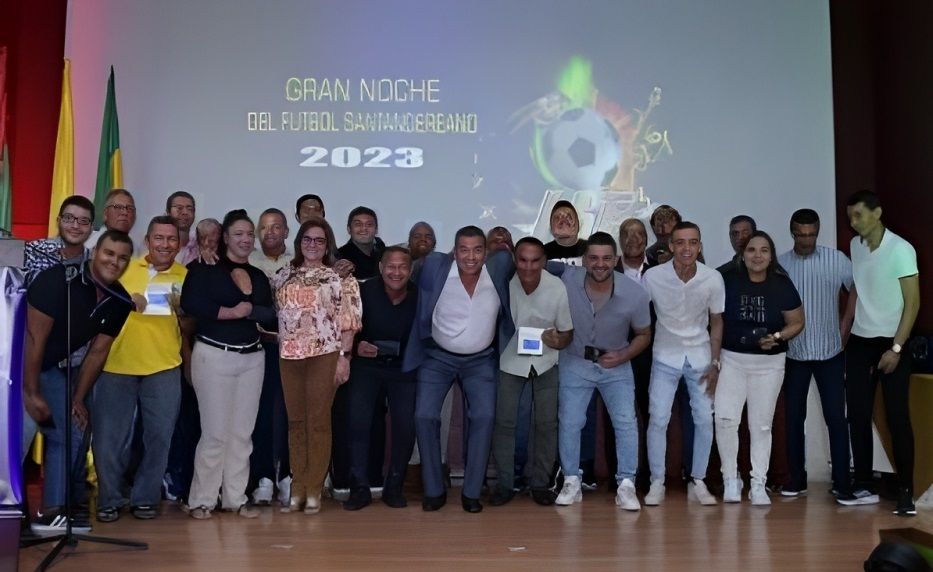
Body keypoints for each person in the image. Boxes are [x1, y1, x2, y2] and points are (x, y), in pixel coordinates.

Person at [23, 231, 134, 534]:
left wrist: (77, 399)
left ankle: (52, 514)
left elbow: (97, 353)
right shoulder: (58, 279)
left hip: (51, 370)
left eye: (122, 257)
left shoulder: (120, 301)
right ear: (94, 252)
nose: (114, 261)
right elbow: (33, 339)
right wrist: (31, 392)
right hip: (18, 365)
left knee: (70, 431)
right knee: (19, 436)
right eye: (109, 253)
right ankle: (9, 513)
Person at [403, 225, 514, 513]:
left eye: (477, 250)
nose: (470, 257)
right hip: (437, 358)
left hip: (481, 360)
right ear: (454, 251)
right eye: (464, 250)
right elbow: (402, 276)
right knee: (424, 416)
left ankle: (472, 492)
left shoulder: (499, 266)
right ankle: (433, 489)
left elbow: (537, 261)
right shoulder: (433, 266)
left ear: (486, 252)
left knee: (484, 416)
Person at [180, 210, 276, 519]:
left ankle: (235, 498)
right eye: (238, 234)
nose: (245, 239)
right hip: (213, 355)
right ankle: (202, 500)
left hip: (252, 358)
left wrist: (246, 311)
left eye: (249, 234)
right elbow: (191, 302)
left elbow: (269, 314)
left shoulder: (258, 275)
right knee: (214, 433)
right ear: (225, 237)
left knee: (242, 434)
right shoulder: (204, 268)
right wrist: (230, 312)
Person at [92, 216, 187, 522]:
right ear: (147, 241)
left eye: (171, 239)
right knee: (109, 438)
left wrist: (183, 311)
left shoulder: (186, 276)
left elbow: (190, 325)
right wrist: (124, 301)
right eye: (158, 238)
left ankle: (145, 498)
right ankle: (109, 498)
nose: (165, 244)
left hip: (164, 366)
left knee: (159, 438)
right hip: (116, 364)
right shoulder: (123, 268)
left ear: (179, 244)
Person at [552, 232, 651, 511]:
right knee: (570, 421)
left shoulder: (635, 293)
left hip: (617, 364)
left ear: (616, 260)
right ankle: (571, 480)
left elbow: (644, 334)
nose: (600, 264)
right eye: (593, 258)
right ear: (584, 260)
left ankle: (626, 485)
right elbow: (533, 264)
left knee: (626, 422)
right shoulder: (567, 279)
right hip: (575, 361)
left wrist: (624, 355)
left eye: (606, 258)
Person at [273, 217, 361, 514]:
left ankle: (314, 489)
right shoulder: (283, 275)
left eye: (319, 240)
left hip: (325, 354)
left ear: (327, 245)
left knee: (318, 422)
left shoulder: (340, 278)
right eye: (307, 239)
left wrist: (344, 358)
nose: (312, 245)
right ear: (299, 242)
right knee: (296, 422)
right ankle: (297, 486)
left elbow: (349, 322)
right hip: (289, 356)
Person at [844, 190, 920, 516]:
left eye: (858, 215)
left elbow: (913, 303)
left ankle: (906, 491)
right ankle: (863, 483)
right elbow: (859, 290)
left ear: (877, 213)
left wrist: (897, 348)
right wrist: (846, 329)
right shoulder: (855, 246)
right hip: (860, 341)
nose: (853, 221)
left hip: (892, 341)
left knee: (896, 416)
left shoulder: (901, 249)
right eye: (850, 216)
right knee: (858, 414)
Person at [715, 231, 803, 505]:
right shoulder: (728, 281)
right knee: (725, 421)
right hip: (732, 361)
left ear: (771, 255)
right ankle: (731, 479)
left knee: (761, 426)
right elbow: (714, 319)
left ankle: (758, 483)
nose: (757, 255)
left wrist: (777, 337)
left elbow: (797, 322)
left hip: (769, 365)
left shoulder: (782, 284)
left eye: (764, 250)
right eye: (752, 250)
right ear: (743, 254)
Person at [642, 222, 723, 506]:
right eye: (680, 242)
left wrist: (715, 362)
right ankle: (657, 481)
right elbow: (639, 315)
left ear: (700, 246)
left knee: (704, 419)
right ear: (671, 246)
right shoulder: (653, 277)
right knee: (658, 418)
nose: (686, 248)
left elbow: (717, 322)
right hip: (664, 356)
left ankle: (698, 480)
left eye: (692, 242)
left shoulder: (712, 278)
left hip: (701, 357)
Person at [777, 209, 854, 501]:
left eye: (811, 235)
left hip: (830, 352)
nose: (806, 240)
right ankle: (796, 479)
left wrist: (845, 325)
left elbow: (856, 290)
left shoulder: (837, 260)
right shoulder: (781, 265)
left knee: (836, 418)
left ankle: (842, 483)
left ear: (817, 232)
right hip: (794, 354)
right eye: (801, 235)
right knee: (793, 419)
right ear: (792, 232)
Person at [490, 237, 572, 507]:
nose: (528, 266)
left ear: (544, 261)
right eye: (523, 260)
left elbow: (567, 333)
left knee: (546, 424)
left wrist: (559, 340)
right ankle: (505, 484)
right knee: (504, 423)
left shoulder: (556, 287)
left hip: (547, 360)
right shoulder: (503, 283)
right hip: (509, 359)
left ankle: (540, 483)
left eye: (535, 260)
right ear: (515, 260)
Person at [343, 246, 418, 510]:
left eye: (403, 267)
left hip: (404, 370)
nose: (396, 272)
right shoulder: (362, 292)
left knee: (406, 426)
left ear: (411, 270)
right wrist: (356, 346)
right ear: (380, 268)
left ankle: (394, 486)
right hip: (366, 367)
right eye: (391, 266)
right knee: (358, 423)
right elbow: (342, 327)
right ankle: (359, 488)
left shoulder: (420, 296)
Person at [246, 207, 293, 506]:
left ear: (286, 232)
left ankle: (287, 474)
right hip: (257, 347)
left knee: (289, 412)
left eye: (276, 227)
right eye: (264, 227)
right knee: (260, 413)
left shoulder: (299, 263)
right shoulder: (247, 262)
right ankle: (262, 476)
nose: (270, 232)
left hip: (293, 350)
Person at [23, 195, 95, 285]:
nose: (75, 226)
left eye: (83, 221)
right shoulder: (33, 250)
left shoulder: (94, 263)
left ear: (91, 228)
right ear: (58, 221)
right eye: (68, 218)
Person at [543, 200, 587, 264]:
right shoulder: (541, 253)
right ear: (551, 228)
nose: (564, 229)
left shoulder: (592, 249)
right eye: (557, 219)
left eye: (568, 218)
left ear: (578, 224)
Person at [166, 190, 199, 265]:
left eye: (189, 209)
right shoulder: (159, 246)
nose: (185, 212)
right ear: (168, 212)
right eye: (179, 208)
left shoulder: (200, 245)